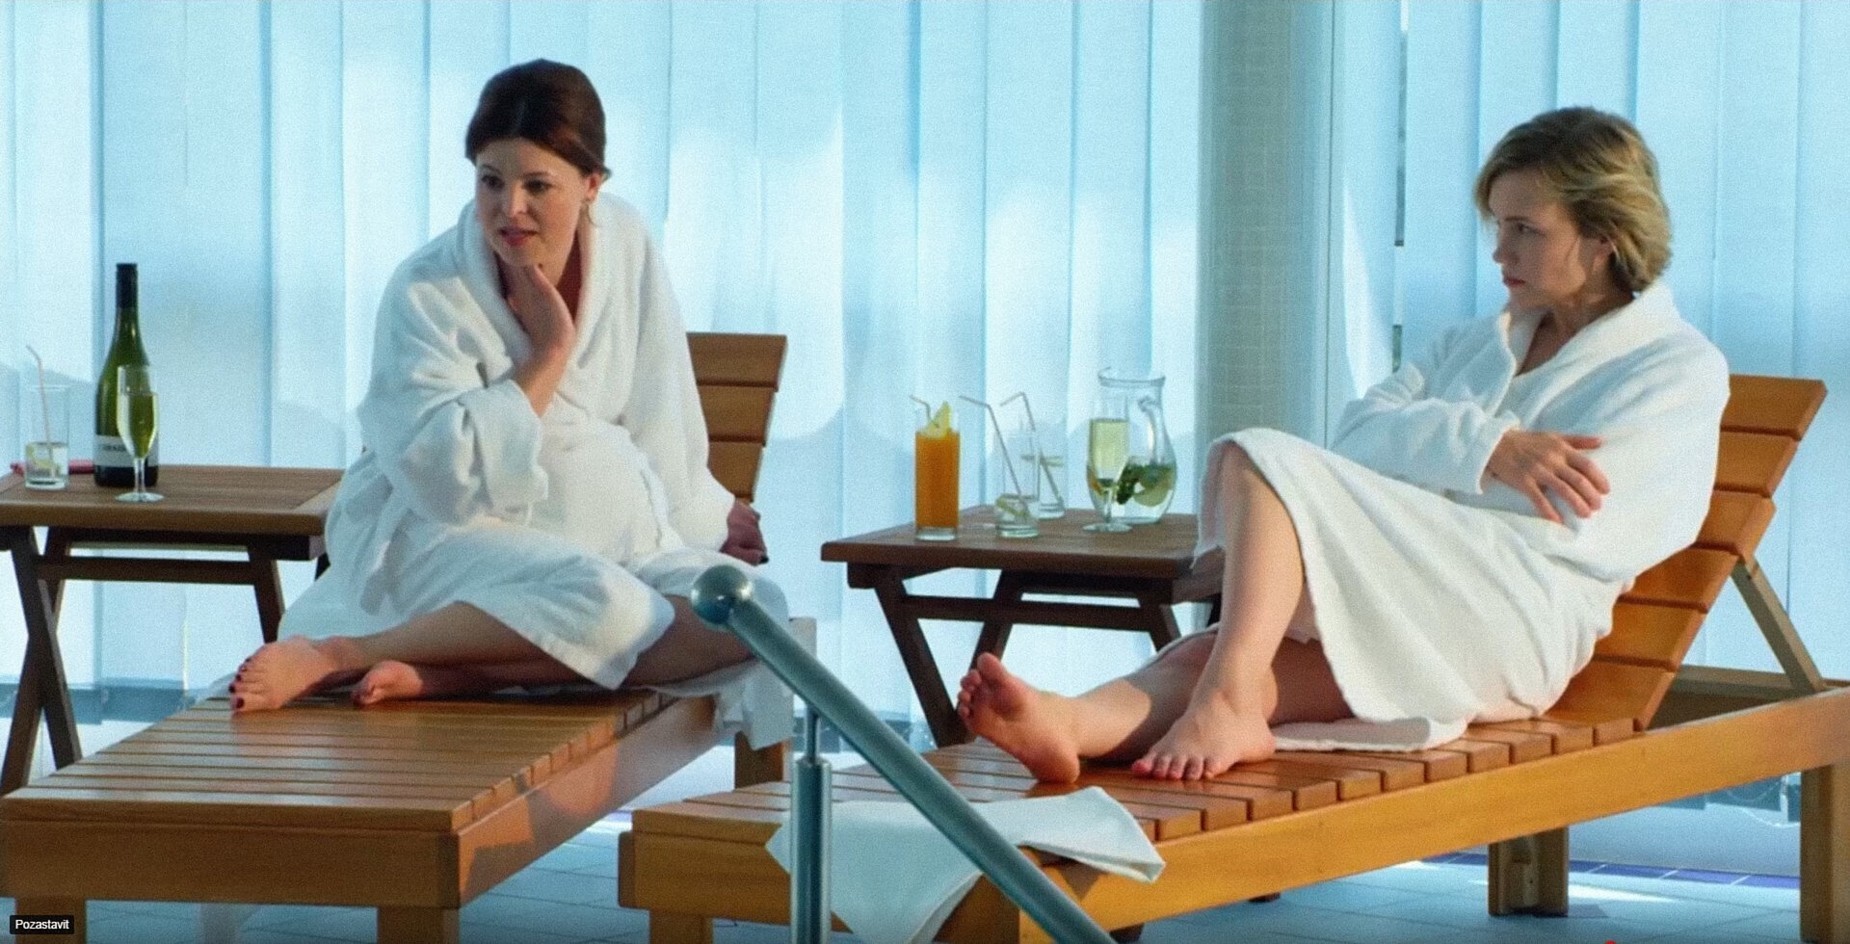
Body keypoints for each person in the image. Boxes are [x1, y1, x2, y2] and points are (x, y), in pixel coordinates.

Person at [958, 106, 1729, 782]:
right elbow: (1356, 435)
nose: (1501, 252)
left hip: (1511, 619)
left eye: (1526, 229)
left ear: (1604, 237)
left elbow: (1577, 519)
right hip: (1414, 591)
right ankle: (1071, 725)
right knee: (1224, 657)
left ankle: (1225, 701)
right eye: (1497, 226)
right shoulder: (1474, 343)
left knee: (1260, 458)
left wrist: (1419, 467)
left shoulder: (1674, 369)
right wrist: (1486, 448)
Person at [230, 60, 784, 720]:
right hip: (447, 540)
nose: (509, 208)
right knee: (615, 608)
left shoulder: (626, 243)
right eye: (491, 180)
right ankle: (340, 654)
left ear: (592, 185)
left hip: (607, 550)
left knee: (754, 611)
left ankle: (462, 672)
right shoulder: (427, 290)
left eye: (537, 185)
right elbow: (441, 483)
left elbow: (659, 404)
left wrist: (701, 513)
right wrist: (548, 355)